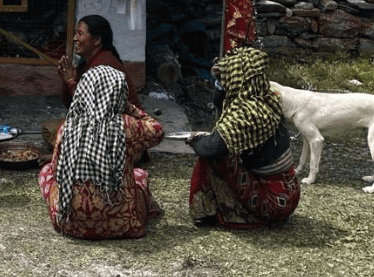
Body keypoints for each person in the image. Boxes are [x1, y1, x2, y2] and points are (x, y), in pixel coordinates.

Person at [38, 64, 164, 239]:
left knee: (46, 172)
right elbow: (157, 130)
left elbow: (57, 170)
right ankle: (146, 212)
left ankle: (68, 211)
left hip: (70, 225)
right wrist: (128, 107)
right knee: (140, 175)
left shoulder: (67, 127)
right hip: (122, 223)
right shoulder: (126, 126)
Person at [186, 46, 300, 229]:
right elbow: (222, 106)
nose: (221, 84)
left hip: (273, 201)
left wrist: (195, 139)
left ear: (235, 80)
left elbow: (210, 148)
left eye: (223, 80)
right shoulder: (267, 99)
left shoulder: (248, 113)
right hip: (288, 194)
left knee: (212, 157)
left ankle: (207, 213)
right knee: (222, 145)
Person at [57, 14, 140, 107]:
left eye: (80, 34)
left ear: (96, 40)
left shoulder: (105, 64)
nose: (75, 38)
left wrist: (70, 81)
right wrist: (67, 80)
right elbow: (72, 105)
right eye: (76, 33)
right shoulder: (85, 63)